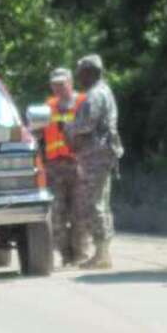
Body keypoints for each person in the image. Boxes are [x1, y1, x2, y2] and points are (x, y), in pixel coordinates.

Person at [66, 53, 123, 269]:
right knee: (100, 203)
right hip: (101, 154)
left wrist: (68, 128)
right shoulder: (104, 91)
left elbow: (86, 124)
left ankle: (101, 254)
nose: (78, 77)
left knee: (93, 203)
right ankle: (102, 252)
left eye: (81, 73)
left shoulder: (95, 95)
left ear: (90, 73)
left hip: (95, 155)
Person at [43, 67, 86, 267]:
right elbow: (35, 132)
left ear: (70, 82)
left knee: (80, 213)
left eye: (61, 84)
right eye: (54, 84)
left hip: (79, 165)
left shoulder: (83, 103)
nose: (58, 88)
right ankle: (66, 255)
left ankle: (80, 254)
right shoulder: (48, 106)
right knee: (56, 214)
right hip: (54, 168)